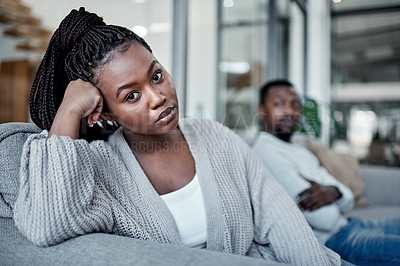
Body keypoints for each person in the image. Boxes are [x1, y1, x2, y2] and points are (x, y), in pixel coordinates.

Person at [11, 7, 341, 265]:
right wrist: (69, 110)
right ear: (105, 112)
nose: (158, 97)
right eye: (131, 96)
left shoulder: (215, 136)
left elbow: (282, 221)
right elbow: (48, 225)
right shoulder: (100, 169)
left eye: (156, 75)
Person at [252, 79, 400, 265]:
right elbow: (325, 219)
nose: (290, 111)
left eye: (295, 105)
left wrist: (333, 191)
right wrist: (336, 192)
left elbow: (347, 199)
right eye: (279, 104)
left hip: (352, 224)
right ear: (262, 110)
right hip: (336, 242)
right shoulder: (266, 154)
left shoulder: (300, 150)